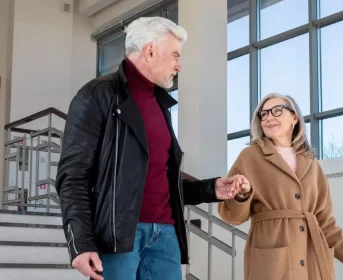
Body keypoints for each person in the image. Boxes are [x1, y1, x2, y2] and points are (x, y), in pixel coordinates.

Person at [56, 17, 243, 280]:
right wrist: (80, 243)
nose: (180, 65)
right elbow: (72, 177)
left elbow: (160, 179)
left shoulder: (161, 105)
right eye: (175, 55)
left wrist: (211, 188)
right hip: (119, 238)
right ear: (151, 50)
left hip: (165, 236)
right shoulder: (96, 95)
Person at [218, 93, 343, 280]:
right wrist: (241, 195)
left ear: (294, 118)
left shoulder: (311, 162)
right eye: (264, 114)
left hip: (312, 255)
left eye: (277, 111)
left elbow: (325, 221)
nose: (268, 117)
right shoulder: (250, 156)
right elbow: (231, 216)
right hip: (272, 257)